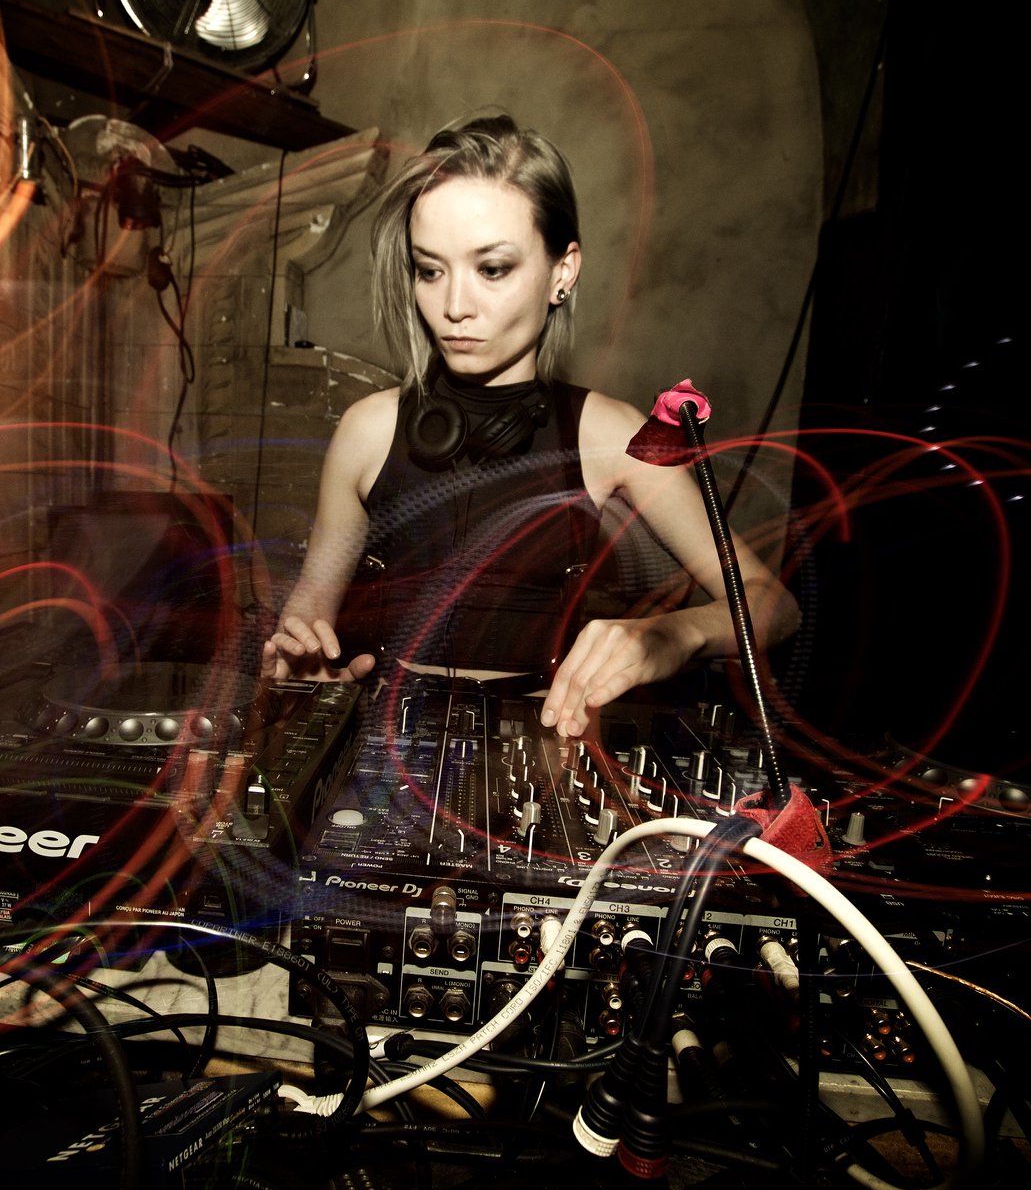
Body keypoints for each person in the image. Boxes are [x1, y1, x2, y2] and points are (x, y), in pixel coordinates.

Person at [262, 114, 798, 738]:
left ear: (561, 273)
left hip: (541, 755)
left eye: (492, 269)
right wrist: (302, 672)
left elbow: (772, 603)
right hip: (385, 751)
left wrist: (674, 634)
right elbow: (308, 620)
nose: (453, 306)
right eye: (430, 270)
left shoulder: (612, 436)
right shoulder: (366, 431)